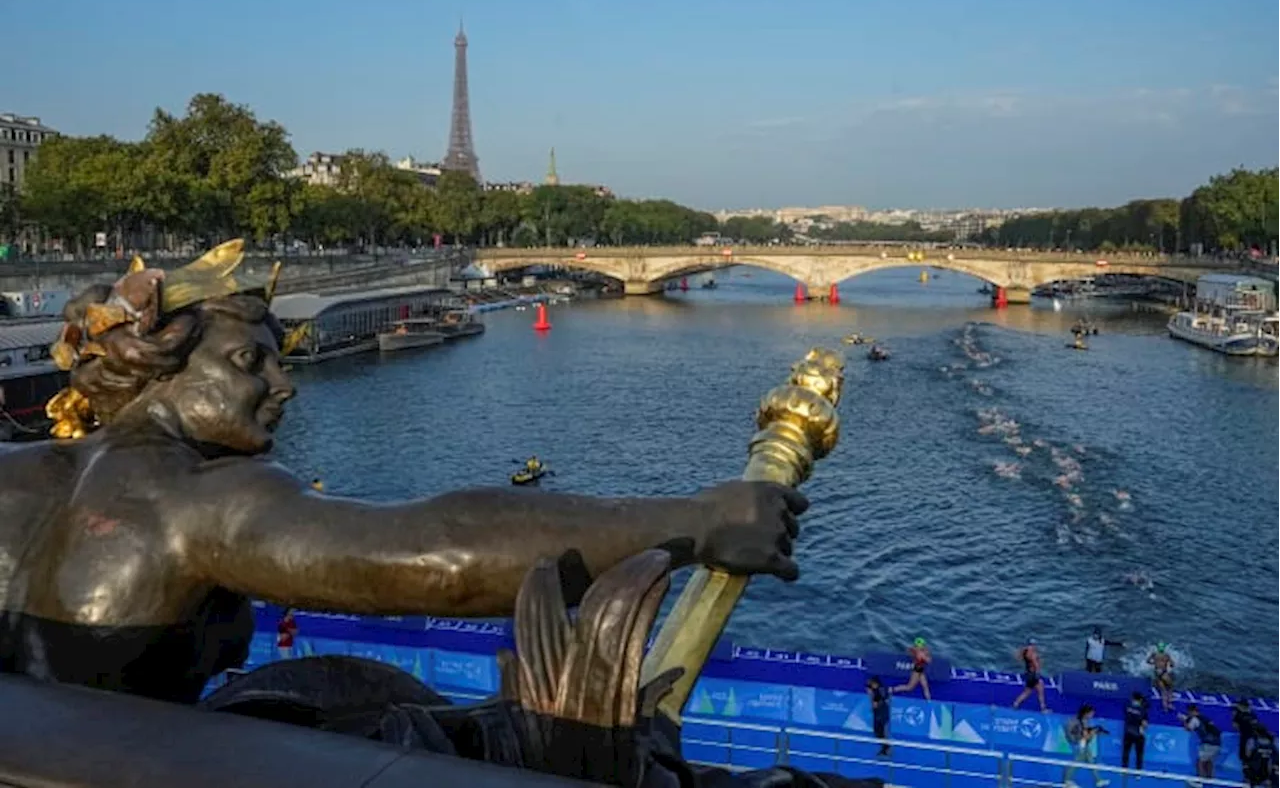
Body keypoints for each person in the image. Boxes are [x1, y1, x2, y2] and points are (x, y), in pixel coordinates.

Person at [0, 244, 808, 705]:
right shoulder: (193, 499)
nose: (282, 386)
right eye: (251, 362)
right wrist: (700, 522)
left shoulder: (23, 472)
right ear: (163, 368)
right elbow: (435, 552)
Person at [1064, 704, 1110, 788]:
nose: (1092, 715)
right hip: (1079, 745)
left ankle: (1098, 780)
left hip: (1083, 744)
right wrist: (1093, 733)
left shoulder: (1082, 720)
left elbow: (1085, 735)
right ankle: (1067, 781)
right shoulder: (1082, 722)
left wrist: (1092, 732)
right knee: (1076, 763)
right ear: (1086, 713)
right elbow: (1085, 737)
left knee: (1091, 762)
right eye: (1091, 713)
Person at [1180, 705, 1221, 781]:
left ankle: (1200, 781)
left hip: (1209, 744)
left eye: (1189, 713)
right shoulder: (1205, 718)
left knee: (1200, 763)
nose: (1188, 714)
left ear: (1191, 711)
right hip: (1217, 743)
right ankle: (1210, 780)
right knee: (1209, 761)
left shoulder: (1195, 719)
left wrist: (1184, 720)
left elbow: (1188, 729)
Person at [1012, 638, 1048, 712]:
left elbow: (1017, 657)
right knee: (1038, 691)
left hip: (1028, 673)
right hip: (1033, 674)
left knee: (1029, 691)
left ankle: (1016, 704)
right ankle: (1043, 709)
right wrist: (1037, 673)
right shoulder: (1033, 654)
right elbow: (1036, 665)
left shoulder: (1025, 652)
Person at [1121, 691, 1148, 771]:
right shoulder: (1143, 710)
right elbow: (1145, 724)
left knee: (1126, 752)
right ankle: (1138, 772)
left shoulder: (1127, 706)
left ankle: (1124, 769)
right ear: (1140, 700)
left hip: (1127, 732)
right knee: (1139, 754)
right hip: (1138, 734)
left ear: (1133, 698)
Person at [866, 676, 891, 756]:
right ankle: (885, 748)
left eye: (871, 684)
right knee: (879, 732)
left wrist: (871, 699)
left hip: (881, 714)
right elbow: (888, 698)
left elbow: (875, 705)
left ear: (875, 683)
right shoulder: (882, 689)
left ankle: (886, 749)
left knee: (880, 732)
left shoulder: (877, 693)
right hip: (881, 713)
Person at [1148, 643, 1175, 711]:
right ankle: (1170, 702)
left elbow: (1148, 661)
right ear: (1164, 648)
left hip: (1157, 674)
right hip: (1164, 674)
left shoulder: (1154, 654)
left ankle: (1165, 707)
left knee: (1163, 691)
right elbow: (1172, 664)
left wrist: (1154, 663)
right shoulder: (1166, 655)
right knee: (1170, 687)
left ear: (1157, 648)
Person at [1234, 698, 1259, 767]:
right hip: (1249, 736)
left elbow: (1235, 726)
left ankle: (1247, 767)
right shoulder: (1252, 714)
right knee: (1247, 753)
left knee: (1247, 753)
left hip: (1248, 736)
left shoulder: (1239, 715)